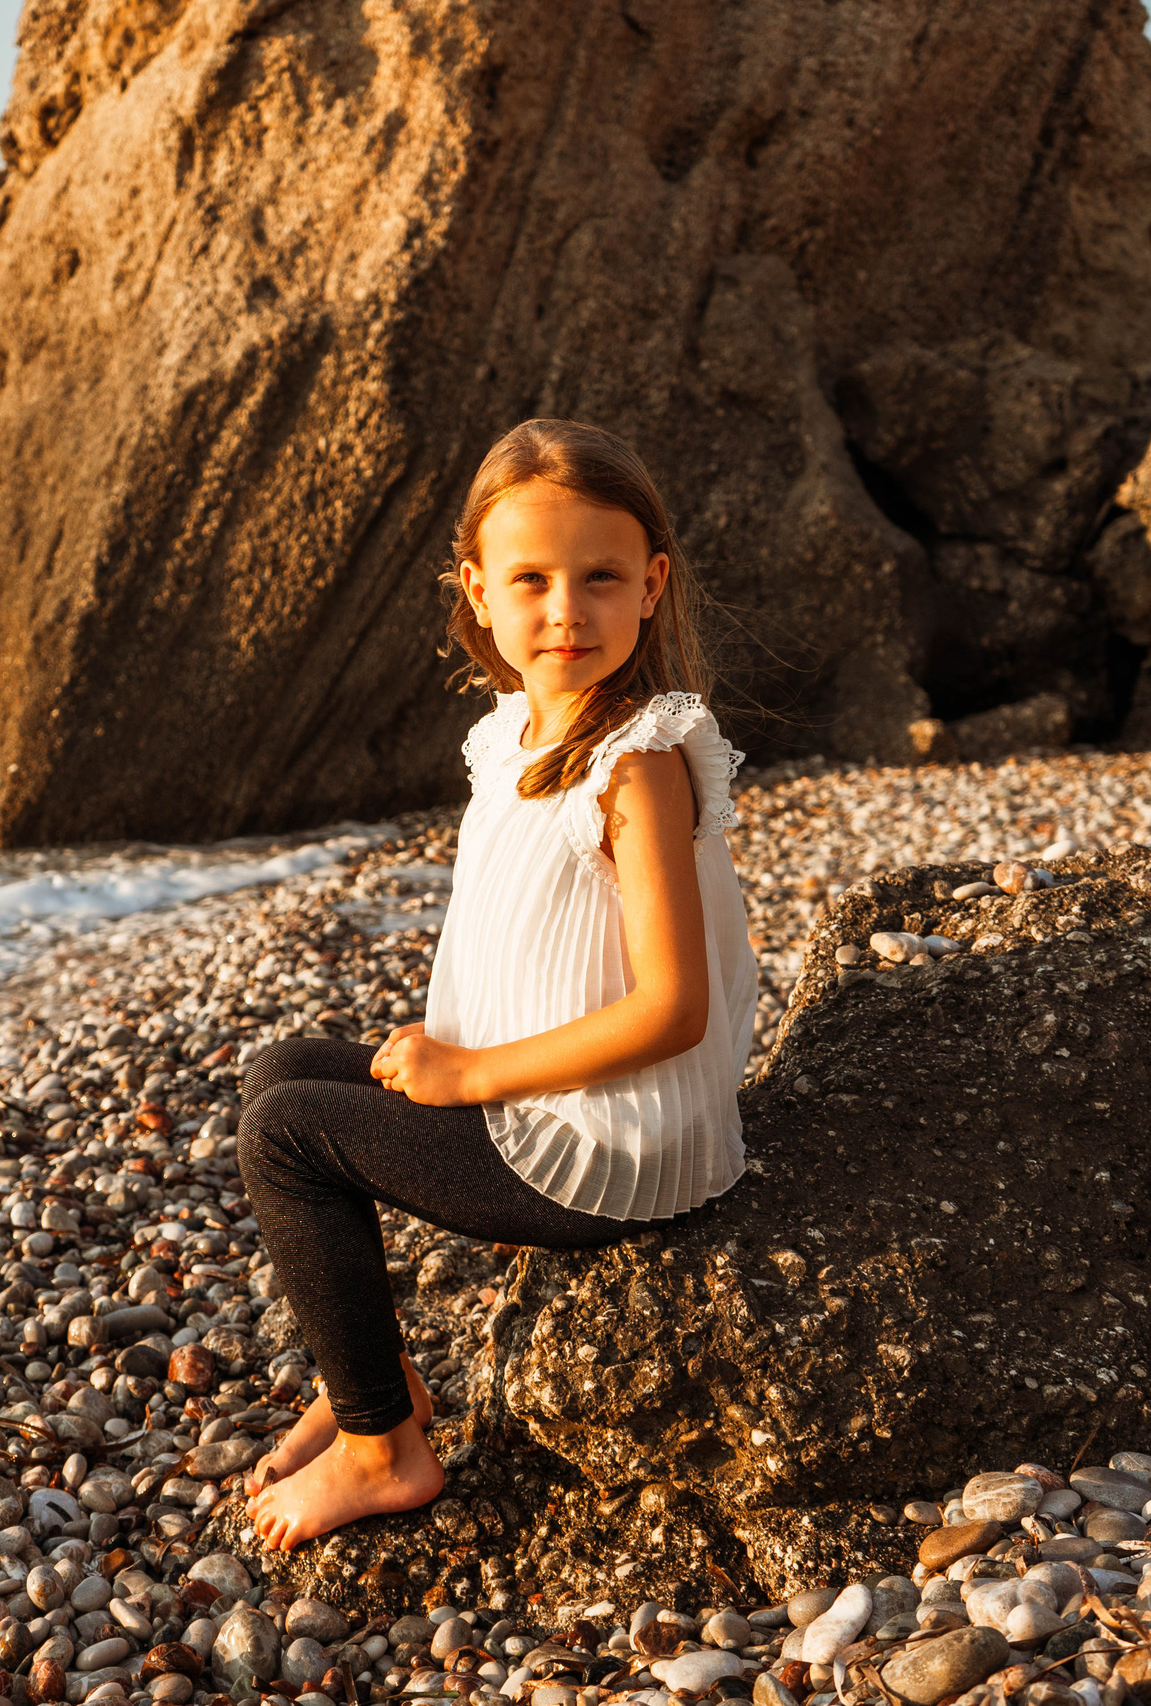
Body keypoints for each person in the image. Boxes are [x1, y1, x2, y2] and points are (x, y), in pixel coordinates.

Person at [238, 417, 761, 1550]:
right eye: (531, 579)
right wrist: (454, 1050)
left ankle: (384, 1448)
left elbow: (675, 1010)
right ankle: (372, 1375)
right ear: (477, 591)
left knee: (289, 1137)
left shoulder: (640, 765)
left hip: (609, 1153)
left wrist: (468, 1067)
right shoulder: (514, 735)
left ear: (651, 585)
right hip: (544, 1094)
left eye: (600, 578)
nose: (565, 610)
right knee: (281, 1068)